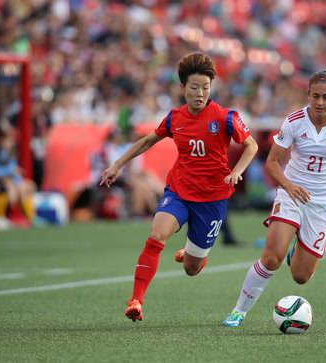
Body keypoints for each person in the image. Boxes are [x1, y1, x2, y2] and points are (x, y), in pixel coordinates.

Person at [222, 70, 326, 327]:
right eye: (315, 96)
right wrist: (289, 186)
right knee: (271, 257)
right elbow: (272, 163)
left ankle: (297, 250)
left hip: (324, 205)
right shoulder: (295, 121)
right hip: (292, 195)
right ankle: (239, 311)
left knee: (301, 276)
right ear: (308, 95)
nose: (320, 102)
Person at [100, 52, 258, 322]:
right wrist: (117, 164)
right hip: (179, 190)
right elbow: (147, 141)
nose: (200, 94)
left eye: (206, 88)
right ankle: (136, 300)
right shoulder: (175, 118)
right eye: (194, 87)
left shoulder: (224, 117)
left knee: (191, 269)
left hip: (212, 199)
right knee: (157, 235)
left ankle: (192, 253)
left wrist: (236, 172)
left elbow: (251, 145)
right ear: (182, 87)